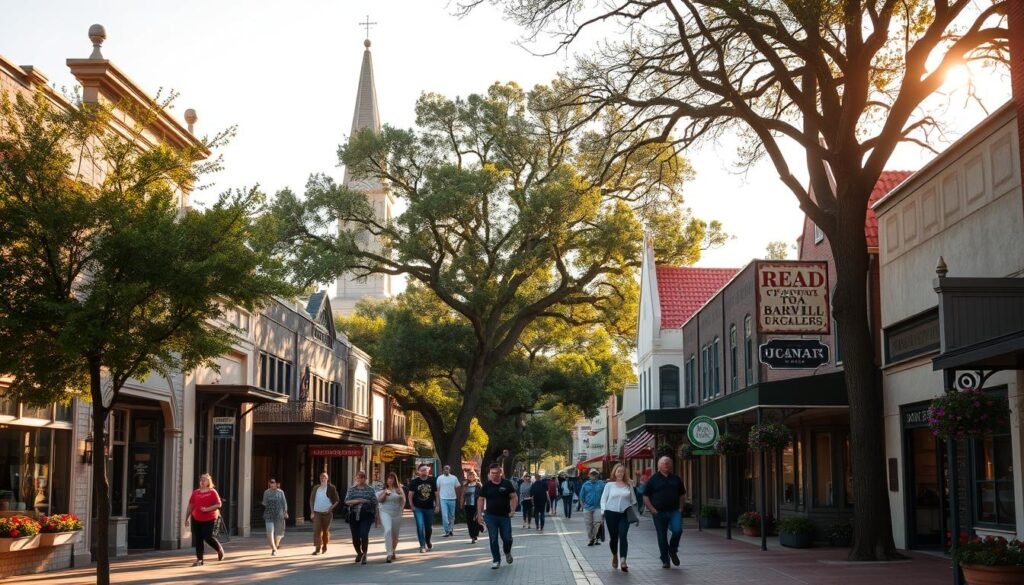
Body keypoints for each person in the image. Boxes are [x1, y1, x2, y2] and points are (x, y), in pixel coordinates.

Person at [643, 456, 687, 569]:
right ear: (659, 465)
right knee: (662, 536)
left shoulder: (676, 479)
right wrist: (652, 510)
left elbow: (682, 494)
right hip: (659, 512)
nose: (666, 465)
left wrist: (681, 508)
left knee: (677, 531)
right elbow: (645, 496)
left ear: (671, 465)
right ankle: (665, 559)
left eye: (668, 463)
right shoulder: (653, 479)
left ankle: (672, 550)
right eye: (663, 463)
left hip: (674, 511)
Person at [476, 463, 518, 570]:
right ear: (489, 474)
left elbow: (514, 497)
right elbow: (480, 500)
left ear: (500, 473)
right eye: (492, 473)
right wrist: (479, 514)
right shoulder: (487, 485)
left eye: (496, 473)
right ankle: (496, 560)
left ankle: (507, 552)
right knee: (493, 538)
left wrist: (513, 510)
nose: (494, 475)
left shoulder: (507, 483)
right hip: (490, 516)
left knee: (507, 538)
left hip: (504, 516)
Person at [601, 464, 637, 572]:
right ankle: (615, 555)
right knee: (614, 538)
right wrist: (603, 511)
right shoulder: (609, 485)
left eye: (622, 472)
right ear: (614, 473)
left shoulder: (628, 485)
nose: (620, 473)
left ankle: (623, 561)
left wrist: (632, 486)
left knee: (623, 536)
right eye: (618, 471)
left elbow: (633, 501)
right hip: (610, 514)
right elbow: (603, 499)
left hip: (624, 514)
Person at [184, 473, 224, 567]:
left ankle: (219, 549)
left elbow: (219, 504)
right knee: (198, 539)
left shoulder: (212, 492)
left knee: (208, 537)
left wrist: (207, 509)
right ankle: (200, 559)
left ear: (208, 482)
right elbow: (190, 506)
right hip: (196, 518)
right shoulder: (196, 492)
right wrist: (186, 518)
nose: (201, 481)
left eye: (204, 480)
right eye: (201, 479)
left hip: (210, 518)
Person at [344, 470, 378, 564]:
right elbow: (346, 501)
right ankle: (359, 552)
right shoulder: (352, 489)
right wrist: (359, 501)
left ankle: (365, 554)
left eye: (362, 477)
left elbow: (375, 502)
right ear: (356, 478)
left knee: (364, 534)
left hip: (366, 515)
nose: (360, 479)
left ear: (365, 478)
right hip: (353, 515)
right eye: (358, 477)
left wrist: (376, 516)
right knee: (355, 537)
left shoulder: (370, 489)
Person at [407, 463, 440, 553]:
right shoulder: (414, 482)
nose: (424, 472)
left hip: (429, 507)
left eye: (425, 470)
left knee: (428, 527)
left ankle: (428, 541)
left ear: (428, 470)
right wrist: (411, 505)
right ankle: (422, 545)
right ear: (418, 472)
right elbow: (410, 495)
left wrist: (437, 505)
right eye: (422, 470)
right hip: (418, 508)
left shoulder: (432, 480)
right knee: (420, 526)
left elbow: (436, 494)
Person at [309, 472, 340, 555]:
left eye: (324, 478)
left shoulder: (331, 488)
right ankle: (317, 548)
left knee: (325, 531)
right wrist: (312, 511)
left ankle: (325, 544)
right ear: (319, 479)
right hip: (317, 512)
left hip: (327, 513)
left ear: (327, 479)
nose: (323, 479)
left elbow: (337, 500)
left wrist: (331, 508)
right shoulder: (316, 488)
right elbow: (311, 500)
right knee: (316, 530)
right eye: (321, 478)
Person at [377, 472, 405, 562]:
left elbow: (403, 500)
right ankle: (389, 553)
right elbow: (379, 500)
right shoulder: (383, 489)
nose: (390, 480)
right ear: (386, 480)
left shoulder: (399, 489)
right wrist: (385, 494)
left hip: (397, 513)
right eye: (389, 478)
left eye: (392, 478)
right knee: (388, 530)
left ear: (395, 480)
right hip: (385, 512)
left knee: (395, 536)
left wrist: (401, 507)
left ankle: (393, 550)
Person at [262, 478, 288, 556]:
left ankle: (276, 544)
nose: (272, 484)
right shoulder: (266, 492)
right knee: (269, 532)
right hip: (269, 514)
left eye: (273, 482)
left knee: (278, 534)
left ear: (276, 483)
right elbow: (264, 502)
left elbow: (284, 503)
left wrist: (285, 511)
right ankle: (273, 549)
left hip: (279, 515)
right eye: (271, 483)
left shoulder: (280, 492)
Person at [579, 468, 605, 546]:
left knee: (597, 523)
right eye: (592, 474)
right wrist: (582, 506)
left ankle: (593, 538)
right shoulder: (585, 484)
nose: (593, 476)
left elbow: (605, 494)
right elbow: (581, 497)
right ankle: (591, 538)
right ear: (589, 475)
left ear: (597, 475)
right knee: (588, 525)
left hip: (598, 507)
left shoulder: (601, 483)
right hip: (587, 507)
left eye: (595, 474)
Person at [437, 464, 462, 537]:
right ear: (443, 470)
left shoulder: (454, 478)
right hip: (443, 499)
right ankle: (446, 531)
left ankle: (451, 530)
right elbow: (437, 489)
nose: (446, 470)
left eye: (448, 469)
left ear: (450, 470)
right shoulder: (440, 478)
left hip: (452, 499)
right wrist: (437, 500)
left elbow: (458, 487)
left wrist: (458, 497)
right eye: (445, 468)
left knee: (452, 516)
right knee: (444, 516)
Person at [462, 469, 483, 544]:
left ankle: (475, 535)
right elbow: (463, 495)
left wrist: (483, 506)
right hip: (468, 505)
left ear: (475, 476)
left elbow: (482, 496)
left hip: (476, 505)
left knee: (475, 520)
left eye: (472, 475)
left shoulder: (478, 485)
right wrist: (461, 505)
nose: (471, 477)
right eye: (469, 475)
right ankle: (472, 535)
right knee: (469, 521)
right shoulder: (465, 485)